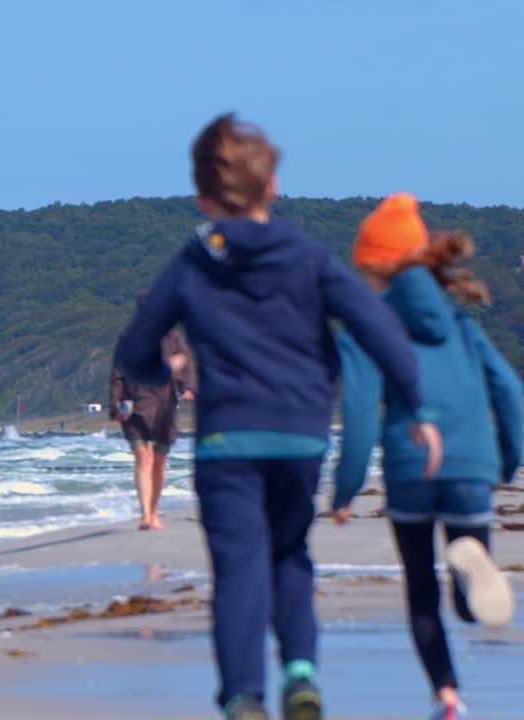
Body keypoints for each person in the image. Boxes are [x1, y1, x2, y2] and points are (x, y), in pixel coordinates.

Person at [115, 113, 443, 720]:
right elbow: (379, 330)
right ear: (273, 188)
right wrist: (417, 407)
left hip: (227, 440)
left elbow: (136, 348)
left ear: (203, 197)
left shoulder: (194, 263)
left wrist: (160, 376)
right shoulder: (310, 259)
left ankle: (243, 696)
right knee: (289, 553)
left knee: (239, 567)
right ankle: (300, 670)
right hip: (298, 436)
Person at [332, 193, 521, 720]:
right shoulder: (459, 321)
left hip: (410, 466)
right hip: (472, 464)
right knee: (466, 584)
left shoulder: (367, 325)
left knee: (420, 591)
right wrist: (509, 461)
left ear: (375, 267)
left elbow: (362, 417)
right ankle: (470, 578)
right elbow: (507, 389)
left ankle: (448, 698)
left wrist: (345, 489)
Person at [109, 303, 197, 530]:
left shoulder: (174, 337)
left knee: (159, 461)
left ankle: (154, 510)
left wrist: (188, 387)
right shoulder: (129, 338)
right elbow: (117, 374)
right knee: (142, 456)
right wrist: (115, 405)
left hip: (165, 407)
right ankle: (146, 515)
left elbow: (185, 364)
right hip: (134, 406)